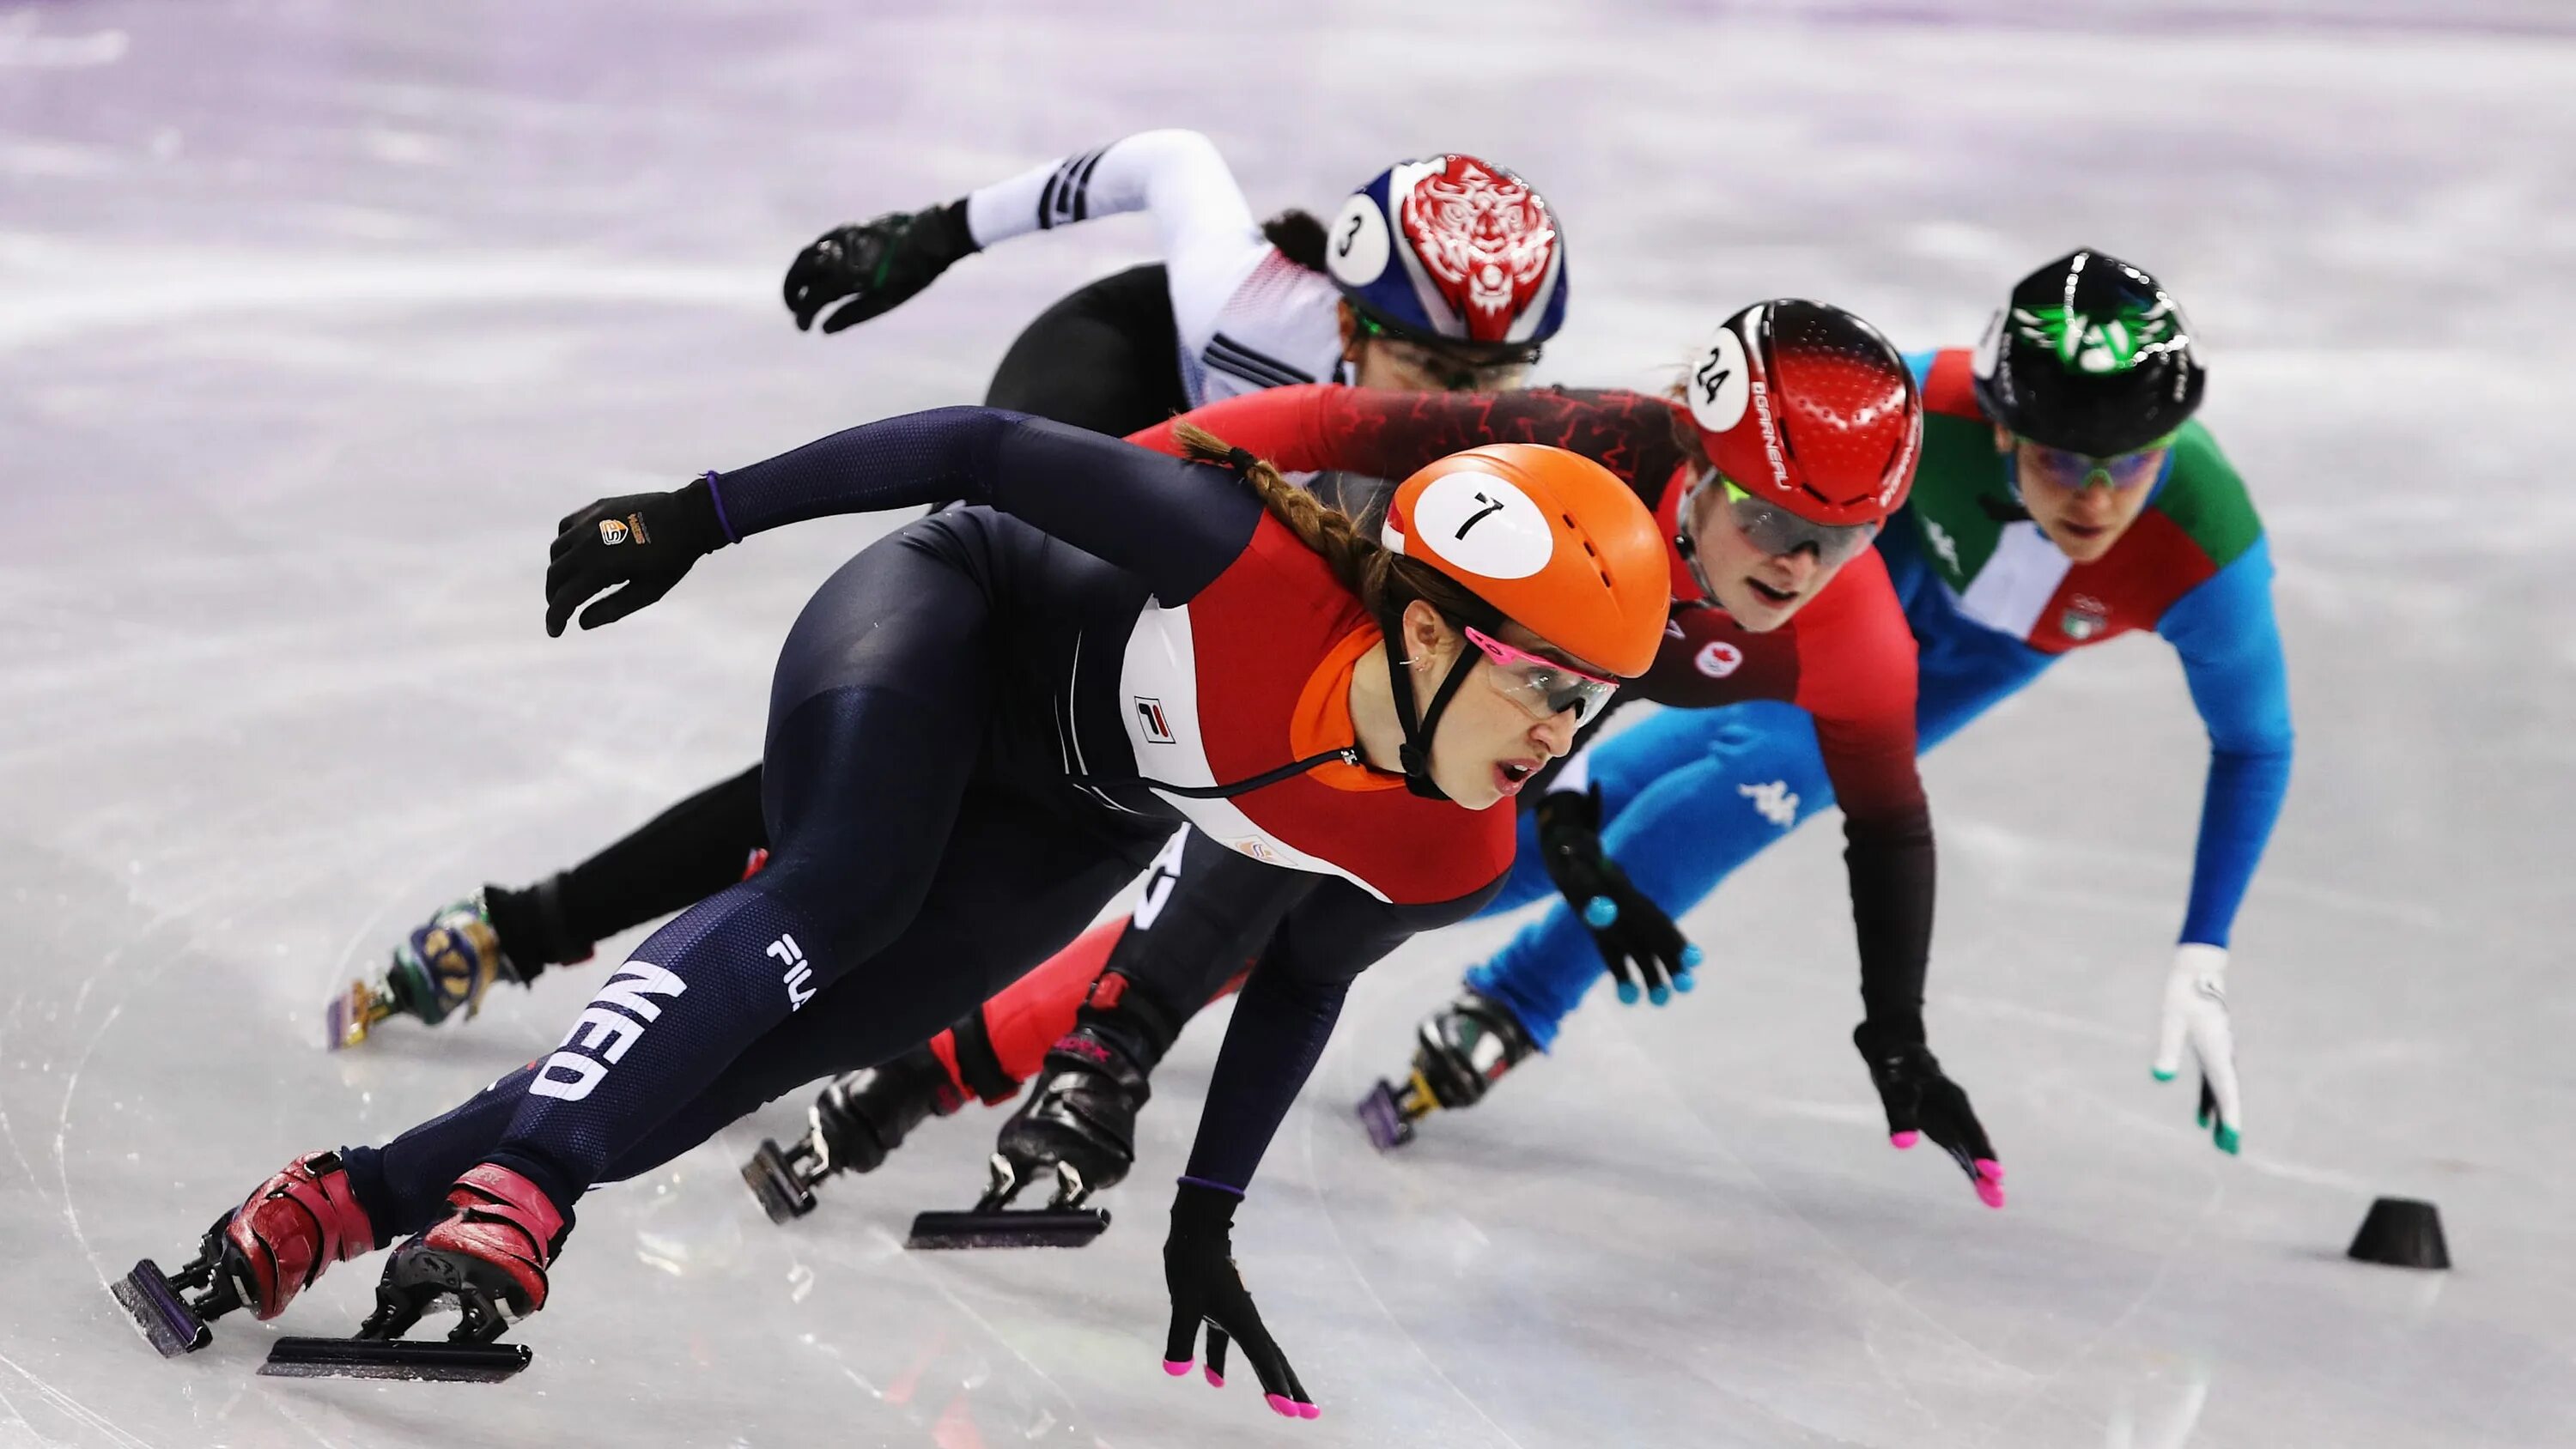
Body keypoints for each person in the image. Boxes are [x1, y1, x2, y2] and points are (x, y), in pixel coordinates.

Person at [125, 409, 1668, 1420]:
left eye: (1594, 704)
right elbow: (986, 447)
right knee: (835, 898)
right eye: (1545, 682)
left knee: (754, 1050)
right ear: (1421, 626)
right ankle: (524, 1186)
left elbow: (1300, 983)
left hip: (1072, 811)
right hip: (946, 623)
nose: (1561, 731)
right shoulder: (1245, 562)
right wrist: (699, 513)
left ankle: (339, 1201)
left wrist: (1206, 1220)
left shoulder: (1450, 847)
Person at [763, 300, 2001, 1219]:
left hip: (1538, 702)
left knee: (1347, 899)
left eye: (1841, 542)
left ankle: (930, 1077)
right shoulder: (1587, 446)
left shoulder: (1859, 644)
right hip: (1419, 607)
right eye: (1772, 519)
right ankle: (1091, 1047)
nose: (1794, 566)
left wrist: (1898, 1035)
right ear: (1697, 455)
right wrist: (1094, 486)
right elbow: (1322, 421)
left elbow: (1889, 821)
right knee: (1317, 816)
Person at [331, 136, 1571, 1048]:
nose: (1451, 411)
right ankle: (533, 924)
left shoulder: (1478, 457)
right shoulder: (1244, 304)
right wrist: (935, 232)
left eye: (1492, 375)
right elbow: (1169, 162)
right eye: (1426, 366)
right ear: (1348, 325)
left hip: (1243, 497)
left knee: (1046, 764)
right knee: (927, 718)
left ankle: (608, 926)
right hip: (1118, 393)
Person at [1402, 248, 2286, 1160]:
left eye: (2133, 463)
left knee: (1736, 777)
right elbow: (1724, 457)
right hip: (1854, 584)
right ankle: (1401, 915)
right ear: (1999, 430)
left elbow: (2257, 744)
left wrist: (2204, 949)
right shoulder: (1922, 406)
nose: (2098, 500)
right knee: (1653, 792)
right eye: (2064, 460)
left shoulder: (2206, 550)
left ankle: (1505, 991)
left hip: (1964, 663)